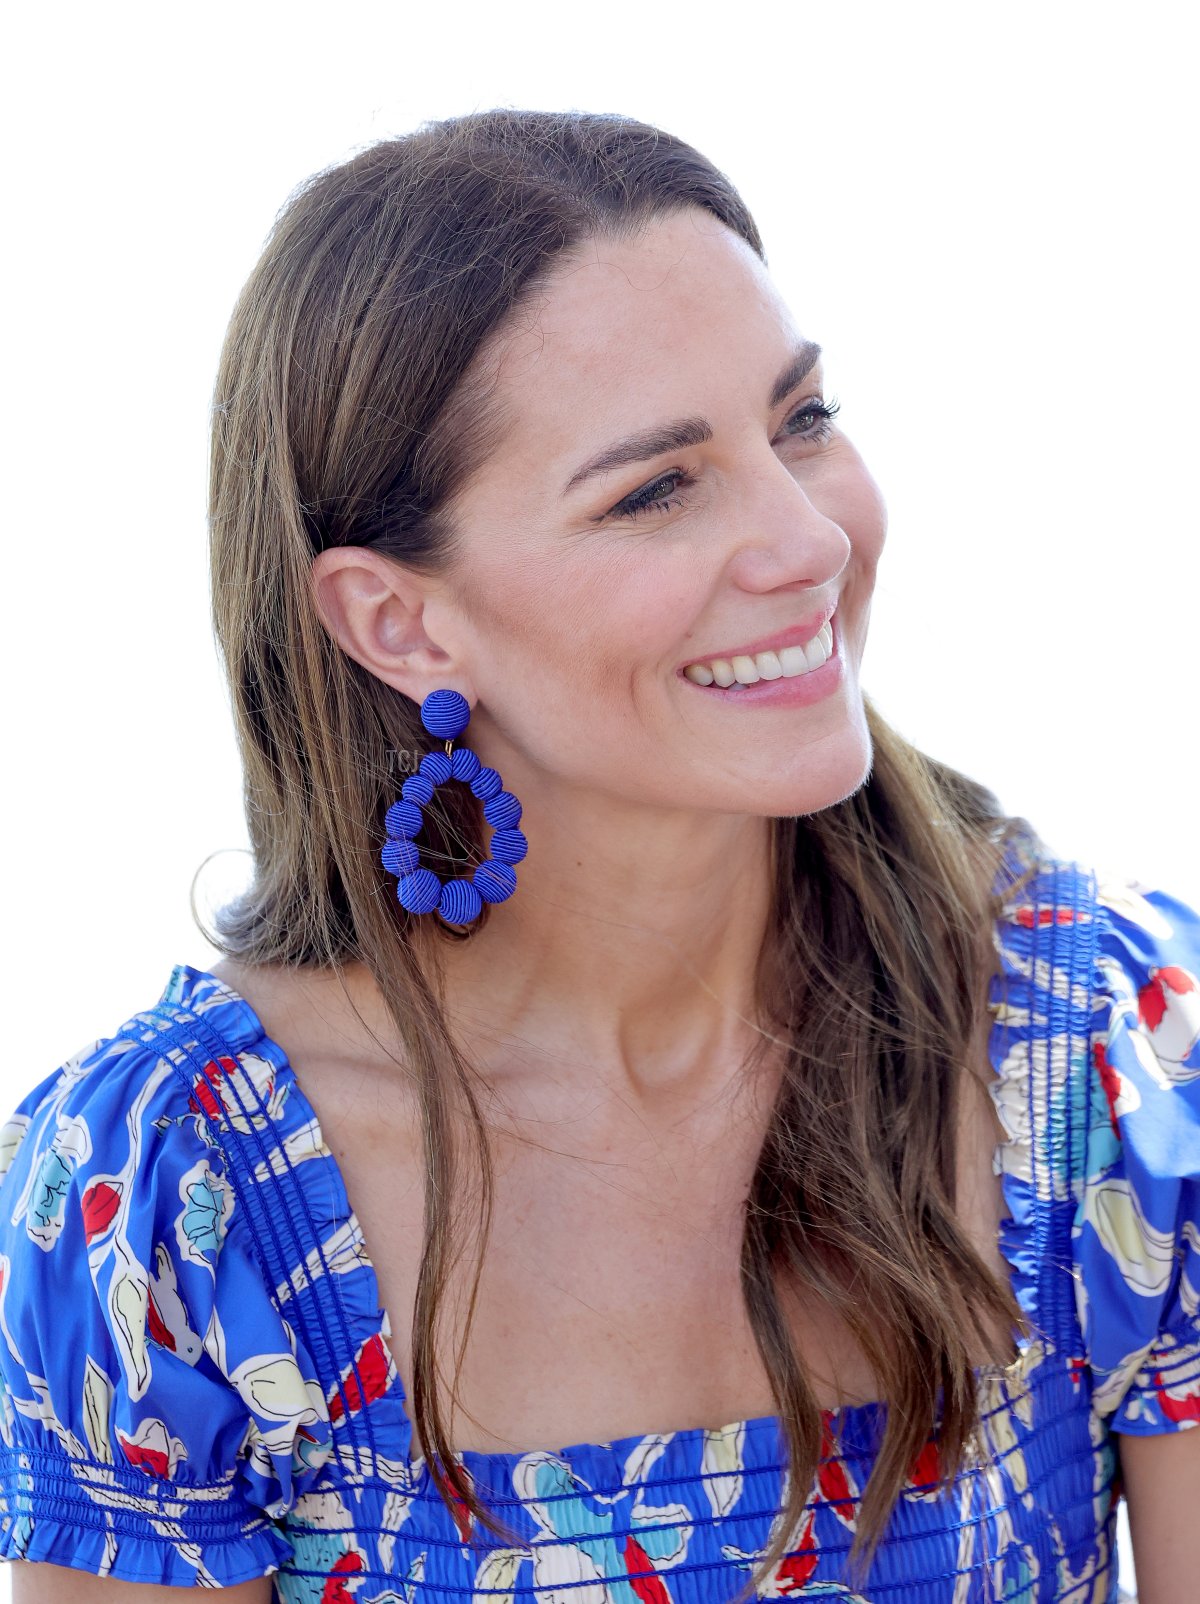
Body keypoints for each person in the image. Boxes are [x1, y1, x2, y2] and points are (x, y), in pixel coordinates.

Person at [1, 108, 1196, 1604]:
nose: (808, 542)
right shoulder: (180, 1203)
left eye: (803, 420)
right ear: (399, 623)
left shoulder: (1116, 1062)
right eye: (655, 490)